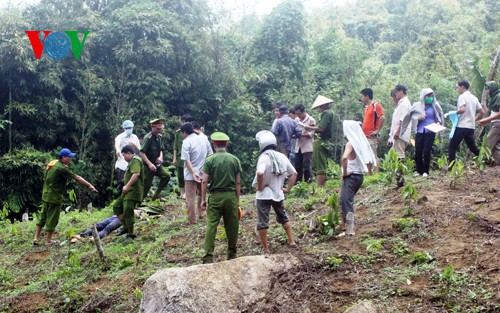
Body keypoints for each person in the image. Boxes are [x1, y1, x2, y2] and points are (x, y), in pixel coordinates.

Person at [34, 148, 98, 246]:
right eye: (69, 157)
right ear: (63, 157)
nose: (71, 159)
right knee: (52, 218)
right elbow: (77, 178)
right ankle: (48, 241)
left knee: (43, 216)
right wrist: (89, 185)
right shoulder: (62, 169)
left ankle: (36, 238)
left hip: (46, 194)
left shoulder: (53, 163)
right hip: (54, 197)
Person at [253, 131, 297, 254]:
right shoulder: (282, 156)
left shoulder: (264, 158)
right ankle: (291, 241)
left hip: (264, 195)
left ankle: (266, 249)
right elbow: (294, 174)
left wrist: (261, 186)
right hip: (278, 193)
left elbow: (260, 173)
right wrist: (287, 189)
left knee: (263, 221)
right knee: (283, 217)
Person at [200, 132, 242, 264]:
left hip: (215, 196)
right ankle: (232, 254)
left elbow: (204, 181)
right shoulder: (234, 160)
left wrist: (202, 199)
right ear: (226, 144)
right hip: (230, 196)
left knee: (211, 225)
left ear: (214, 145)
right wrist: (237, 200)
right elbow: (238, 183)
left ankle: (208, 257)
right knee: (232, 225)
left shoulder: (210, 160)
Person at [340, 121, 376, 236]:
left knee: (347, 202)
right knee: (343, 199)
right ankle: (343, 223)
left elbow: (345, 158)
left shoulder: (350, 144)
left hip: (350, 177)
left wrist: (345, 173)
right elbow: (369, 160)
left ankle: (350, 228)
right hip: (359, 176)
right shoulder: (361, 143)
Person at [401, 88, 445, 176]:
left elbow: (440, 116)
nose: (430, 98)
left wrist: (439, 122)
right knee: (418, 150)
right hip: (420, 130)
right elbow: (411, 116)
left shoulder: (435, 105)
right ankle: (419, 170)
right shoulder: (417, 105)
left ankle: (426, 171)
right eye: (428, 96)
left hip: (431, 130)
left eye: (431, 96)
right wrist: (419, 118)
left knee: (427, 151)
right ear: (423, 96)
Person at [448, 80, 485, 168]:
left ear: (462, 87)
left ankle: (451, 167)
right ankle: (485, 160)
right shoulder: (474, 98)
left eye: (458, 87)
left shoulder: (462, 97)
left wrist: (454, 112)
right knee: (472, 147)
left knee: (452, 147)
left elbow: (462, 109)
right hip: (470, 127)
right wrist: (473, 120)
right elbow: (482, 112)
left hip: (462, 126)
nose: (457, 89)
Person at [181, 122, 213, 224]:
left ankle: (191, 220)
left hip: (190, 174)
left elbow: (186, 160)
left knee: (190, 197)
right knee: (201, 194)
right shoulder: (203, 139)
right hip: (203, 172)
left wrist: (193, 172)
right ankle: (201, 213)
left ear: (185, 133)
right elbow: (210, 154)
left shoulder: (186, 142)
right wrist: (204, 168)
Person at [113, 145, 144, 241]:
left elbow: (136, 174)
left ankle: (131, 234)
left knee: (127, 211)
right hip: (127, 191)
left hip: (133, 191)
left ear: (128, 153)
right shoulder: (131, 162)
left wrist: (127, 185)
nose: (124, 157)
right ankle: (126, 228)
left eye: (123, 155)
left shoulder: (136, 160)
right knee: (117, 207)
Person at [304, 95, 336, 187]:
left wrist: (308, 127)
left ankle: (319, 188)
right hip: (325, 142)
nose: (320, 109)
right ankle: (323, 186)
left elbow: (321, 128)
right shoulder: (331, 112)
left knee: (319, 166)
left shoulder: (327, 113)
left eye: (321, 106)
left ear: (324, 105)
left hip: (321, 141)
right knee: (323, 164)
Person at [140, 118, 170, 201]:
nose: (159, 130)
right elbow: (142, 153)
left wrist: (160, 157)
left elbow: (161, 149)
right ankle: (139, 202)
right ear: (152, 127)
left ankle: (156, 195)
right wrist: (149, 164)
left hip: (157, 164)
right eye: (157, 129)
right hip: (147, 166)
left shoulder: (159, 137)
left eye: (161, 129)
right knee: (146, 185)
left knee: (166, 176)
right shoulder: (148, 138)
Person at [360, 88, 385, 174]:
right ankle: (369, 175)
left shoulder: (375, 106)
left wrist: (377, 130)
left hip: (372, 136)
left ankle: (377, 175)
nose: (362, 98)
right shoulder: (367, 108)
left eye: (362, 96)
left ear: (367, 96)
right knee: (367, 156)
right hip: (365, 136)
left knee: (373, 156)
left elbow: (382, 117)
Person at [478, 81, 500, 165]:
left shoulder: (498, 96)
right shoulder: (495, 97)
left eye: (488, 89)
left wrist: (486, 120)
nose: (487, 91)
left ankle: (480, 163)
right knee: (495, 147)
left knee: (486, 143)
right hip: (496, 123)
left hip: (498, 124)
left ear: (492, 88)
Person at [388, 84, 412, 159]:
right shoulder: (401, 103)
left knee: (399, 155)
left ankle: (401, 171)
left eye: (396, 92)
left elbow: (403, 120)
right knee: (395, 154)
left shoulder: (405, 103)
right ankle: (398, 170)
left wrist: (398, 132)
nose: (395, 94)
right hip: (397, 133)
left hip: (400, 134)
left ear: (401, 91)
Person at [293, 103, 316, 183]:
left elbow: (311, 133)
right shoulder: (296, 120)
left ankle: (308, 182)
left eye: (299, 114)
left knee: (306, 166)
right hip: (298, 145)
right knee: (297, 165)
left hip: (307, 146)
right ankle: (298, 182)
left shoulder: (311, 120)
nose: (298, 115)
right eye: (297, 114)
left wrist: (302, 135)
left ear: (303, 112)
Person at [173, 114, 192, 199]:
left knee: (187, 175)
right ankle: (182, 193)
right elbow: (175, 147)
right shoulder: (178, 133)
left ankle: (187, 193)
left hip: (189, 158)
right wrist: (174, 158)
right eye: (183, 122)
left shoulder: (193, 134)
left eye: (186, 122)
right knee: (180, 175)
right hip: (180, 157)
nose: (184, 123)